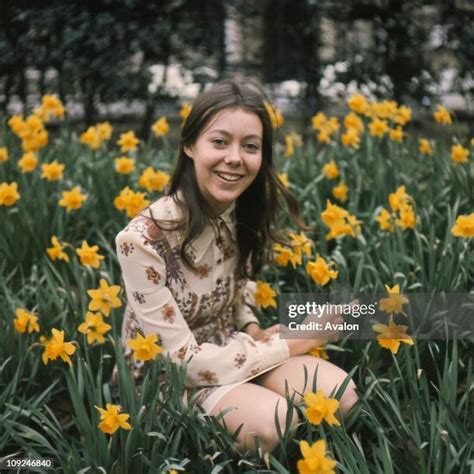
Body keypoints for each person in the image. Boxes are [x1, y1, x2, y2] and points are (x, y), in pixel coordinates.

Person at [115, 77, 358, 455]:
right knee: (277, 422)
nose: (235, 158)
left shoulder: (238, 207)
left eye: (250, 146)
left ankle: (251, 398)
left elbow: (235, 282)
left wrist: (251, 324)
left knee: (342, 396)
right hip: (167, 379)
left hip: (231, 346)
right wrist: (296, 341)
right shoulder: (141, 241)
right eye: (219, 141)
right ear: (189, 146)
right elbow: (183, 365)